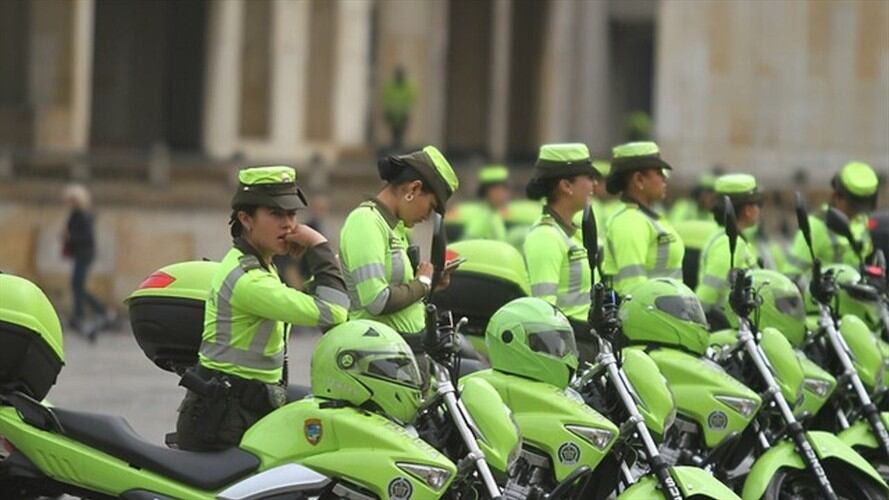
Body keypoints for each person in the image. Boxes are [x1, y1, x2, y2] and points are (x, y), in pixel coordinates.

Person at [176, 165, 349, 451]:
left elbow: (310, 307)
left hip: (243, 407)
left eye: (292, 214)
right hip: (221, 422)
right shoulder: (249, 280)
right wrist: (318, 245)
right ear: (246, 219)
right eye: (276, 214)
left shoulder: (260, 264)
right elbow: (332, 313)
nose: (289, 225)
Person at [339, 146, 459, 374]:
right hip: (378, 360)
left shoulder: (395, 227)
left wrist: (431, 282)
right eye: (431, 206)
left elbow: (403, 293)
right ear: (414, 189)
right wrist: (422, 283)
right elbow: (377, 301)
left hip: (403, 354)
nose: (427, 216)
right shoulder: (365, 222)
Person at [523, 143, 598, 361]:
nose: (594, 184)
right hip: (569, 347)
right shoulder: (545, 236)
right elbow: (545, 311)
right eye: (588, 177)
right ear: (566, 185)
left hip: (588, 341)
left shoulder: (571, 233)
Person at [602, 141, 684, 295]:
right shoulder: (630, 222)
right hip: (648, 316)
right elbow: (633, 290)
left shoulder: (648, 218)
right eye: (659, 173)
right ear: (639, 179)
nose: (664, 179)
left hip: (665, 314)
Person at [783, 161, 879, 281]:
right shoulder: (815, 226)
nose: (858, 211)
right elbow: (791, 276)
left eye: (863, 207)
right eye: (853, 206)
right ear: (837, 196)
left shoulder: (863, 221)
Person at [695, 174, 761, 326]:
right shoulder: (728, 243)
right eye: (756, 204)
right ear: (747, 210)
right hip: (727, 328)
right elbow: (707, 295)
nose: (759, 210)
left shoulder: (734, 239)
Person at [62, 184, 112, 340]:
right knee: (77, 285)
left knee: (77, 285)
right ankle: (86, 313)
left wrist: (70, 239)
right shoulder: (75, 214)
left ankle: (92, 311)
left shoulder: (83, 216)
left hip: (84, 254)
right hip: (80, 253)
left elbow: (85, 237)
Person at [461, 165, 510, 241]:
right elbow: (469, 242)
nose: (503, 194)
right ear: (487, 192)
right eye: (498, 190)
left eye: (504, 189)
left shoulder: (495, 214)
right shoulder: (483, 216)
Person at [383, 66, 416, 151]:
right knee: (394, 134)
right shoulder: (391, 86)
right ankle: (394, 149)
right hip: (393, 115)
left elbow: (411, 100)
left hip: (403, 115)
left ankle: (400, 149)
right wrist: (388, 112)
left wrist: (408, 112)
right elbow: (386, 99)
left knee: (401, 134)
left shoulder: (407, 87)